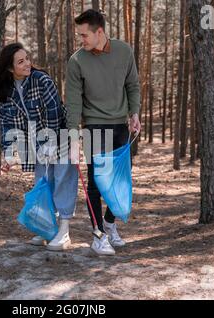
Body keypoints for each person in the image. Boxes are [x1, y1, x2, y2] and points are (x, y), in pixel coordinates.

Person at [0, 43, 78, 251]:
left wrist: (51, 143)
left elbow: (54, 111)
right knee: (43, 183)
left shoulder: (41, 80)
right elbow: (7, 124)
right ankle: (48, 228)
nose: (27, 63)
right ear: (10, 68)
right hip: (36, 143)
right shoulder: (7, 91)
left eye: (27, 58)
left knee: (63, 180)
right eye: (21, 61)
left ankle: (64, 231)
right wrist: (9, 154)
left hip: (59, 136)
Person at [65, 9, 141, 255]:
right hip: (94, 127)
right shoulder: (76, 61)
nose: (81, 40)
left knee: (120, 180)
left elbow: (132, 85)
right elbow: (74, 104)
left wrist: (135, 114)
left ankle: (109, 224)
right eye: (79, 35)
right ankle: (98, 235)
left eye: (84, 35)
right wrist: (74, 139)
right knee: (97, 183)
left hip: (120, 125)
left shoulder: (124, 51)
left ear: (100, 32)